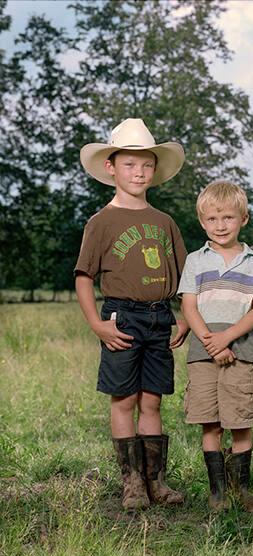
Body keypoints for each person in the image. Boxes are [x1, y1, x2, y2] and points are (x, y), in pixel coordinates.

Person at [75, 118, 189, 510]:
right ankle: (132, 484)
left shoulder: (164, 223)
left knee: (152, 402)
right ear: (111, 167)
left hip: (160, 317)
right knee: (124, 400)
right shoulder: (102, 222)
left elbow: (185, 278)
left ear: (154, 170)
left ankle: (156, 481)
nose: (138, 172)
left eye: (145, 165)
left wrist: (186, 317)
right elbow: (84, 277)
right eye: (129, 164)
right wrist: (96, 323)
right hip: (121, 319)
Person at [178, 181, 253, 513]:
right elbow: (189, 308)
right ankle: (217, 492)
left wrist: (228, 337)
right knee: (211, 423)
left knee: (240, 421)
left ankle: (242, 491)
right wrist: (212, 342)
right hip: (204, 353)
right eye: (213, 219)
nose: (221, 226)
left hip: (242, 352)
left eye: (229, 218)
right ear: (203, 222)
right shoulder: (195, 261)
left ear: (243, 219)